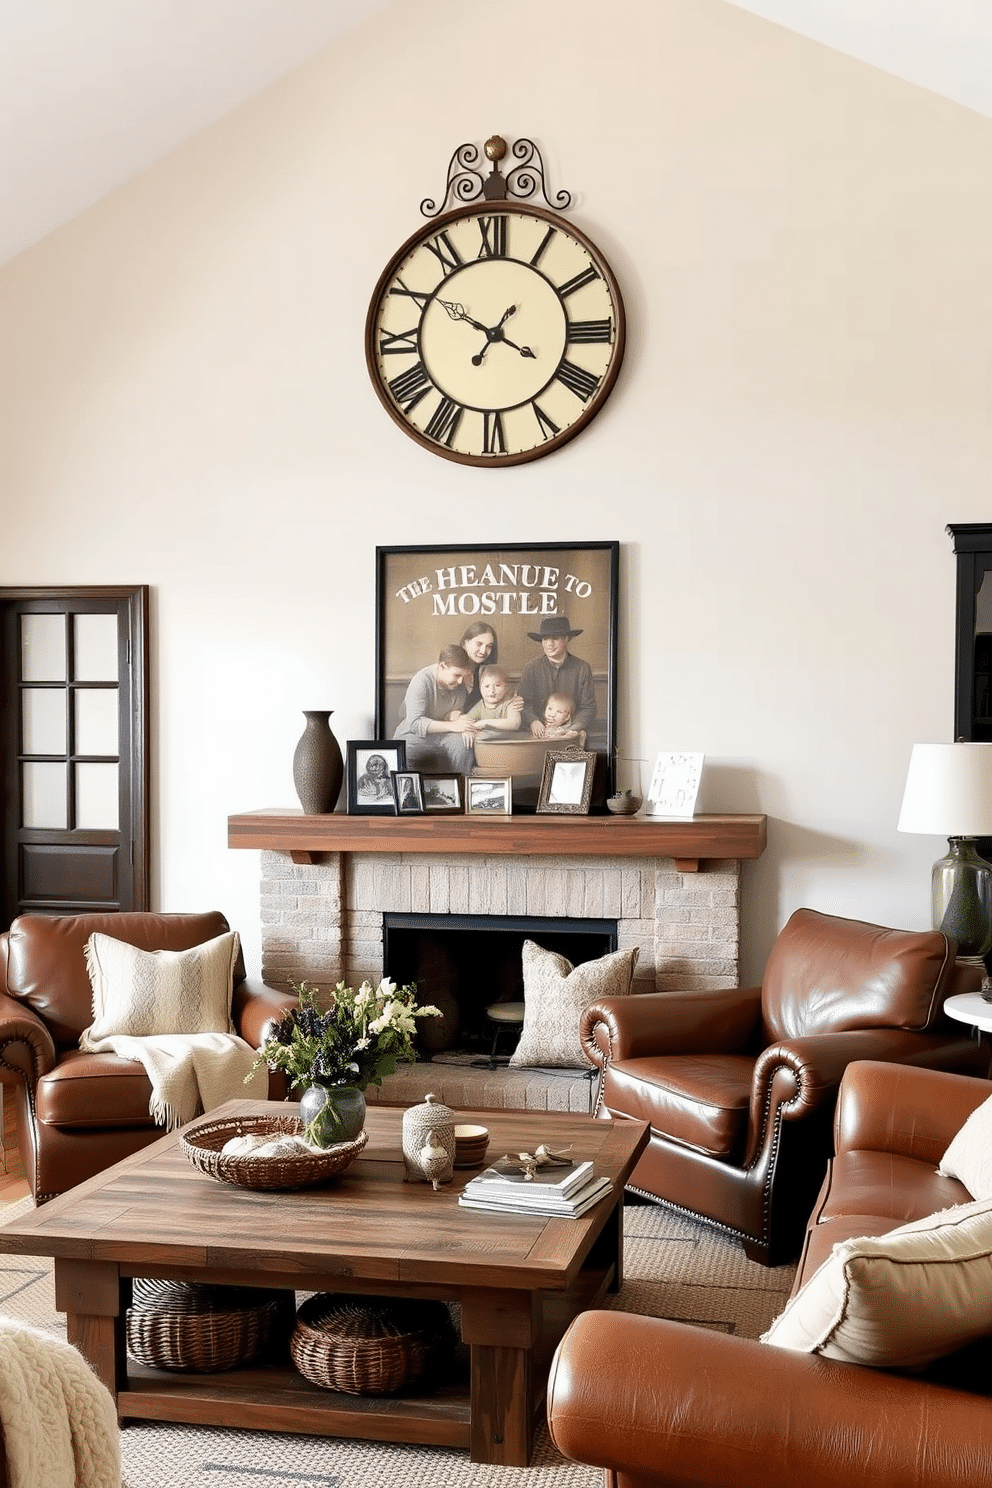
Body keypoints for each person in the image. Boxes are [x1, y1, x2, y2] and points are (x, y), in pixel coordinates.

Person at [394, 643, 477, 772]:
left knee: (464, 744)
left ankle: (458, 788)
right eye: (456, 675)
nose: (461, 681)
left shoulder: (459, 683)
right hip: (414, 734)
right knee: (406, 748)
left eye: (463, 676)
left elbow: (455, 710)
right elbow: (415, 722)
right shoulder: (421, 681)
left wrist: (459, 718)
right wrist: (454, 726)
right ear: (442, 666)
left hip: (444, 735)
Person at [519, 616, 596, 738]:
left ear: (567, 639)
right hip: (537, 732)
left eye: (555, 638)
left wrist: (572, 729)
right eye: (545, 639)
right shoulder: (531, 668)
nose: (550, 644)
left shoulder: (582, 668)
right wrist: (533, 721)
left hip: (570, 731)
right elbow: (524, 703)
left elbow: (588, 707)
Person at [463, 664, 523, 738]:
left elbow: (515, 724)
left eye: (497, 685)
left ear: (506, 687)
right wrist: (468, 730)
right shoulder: (481, 705)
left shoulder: (511, 702)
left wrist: (484, 723)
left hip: (508, 743)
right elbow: (466, 721)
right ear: (480, 688)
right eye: (487, 686)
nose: (492, 691)